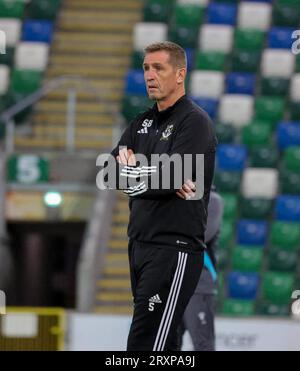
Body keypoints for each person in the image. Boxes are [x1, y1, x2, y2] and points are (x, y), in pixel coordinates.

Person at [108, 41, 217, 351]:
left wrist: (140, 174)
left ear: (180, 74)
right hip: (139, 244)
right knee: (164, 345)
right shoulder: (140, 122)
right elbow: (108, 172)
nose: (149, 75)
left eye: (158, 68)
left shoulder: (194, 122)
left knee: (144, 343)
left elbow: (172, 177)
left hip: (174, 248)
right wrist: (159, 177)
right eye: (145, 68)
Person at [178, 188, 224, 351]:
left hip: (198, 283)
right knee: (168, 344)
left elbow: (201, 237)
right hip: (171, 282)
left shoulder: (212, 199)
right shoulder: (172, 196)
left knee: (203, 344)